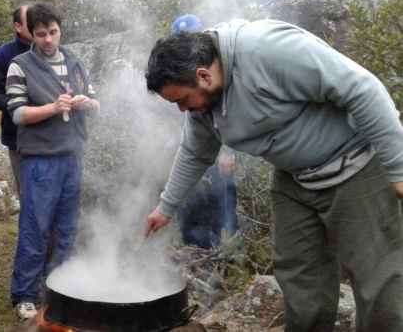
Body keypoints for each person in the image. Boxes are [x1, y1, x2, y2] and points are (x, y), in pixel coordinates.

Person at [143, 19, 403, 332]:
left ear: (203, 75)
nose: (182, 110)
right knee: (300, 274)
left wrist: (398, 169)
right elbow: (195, 152)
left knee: (376, 277)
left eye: (181, 100)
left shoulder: (270, 51)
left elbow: (363, 90)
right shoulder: (203, 102)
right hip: (293, 179)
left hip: (356, 169)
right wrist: (166, 207)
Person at [6, 2, 100, 320]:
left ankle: (56, 290)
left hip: (73, 157)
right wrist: (52, 107)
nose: (48, 40)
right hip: (40, 160)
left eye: (54, 32)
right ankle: (24, 296)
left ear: (61, 30)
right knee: (36, 229)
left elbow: (96, 104)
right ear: (31, 33)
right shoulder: (20, 65)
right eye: (41, 34)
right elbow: (18, 114)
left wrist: (88, 103)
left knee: (67, 229)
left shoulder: (75, 61)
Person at [167, 14, 238, 249]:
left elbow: (233, 113)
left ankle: (229, 260)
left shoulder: (215, 69)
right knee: (192, 208)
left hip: (219, 156)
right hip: (197, 152)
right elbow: (190, 115)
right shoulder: (181, 72)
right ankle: (196, 256)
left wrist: (229, 150)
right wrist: (176, 139)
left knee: (223, 208)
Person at [0, 4, 33, 199]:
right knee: (28, 196)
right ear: (17, 26)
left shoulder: (54, 52)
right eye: (30, 22)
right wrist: (18, 107)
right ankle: (29, 231)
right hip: (18, 138)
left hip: (53, 137)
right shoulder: (2, 55)